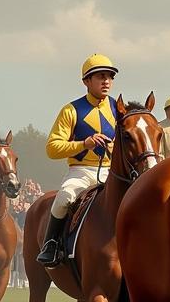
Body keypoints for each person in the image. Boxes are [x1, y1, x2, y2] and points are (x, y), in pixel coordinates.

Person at [36, 54, 118, 268]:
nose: (106, 81)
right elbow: (52, 148)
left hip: (113, 171)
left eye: (109, 76)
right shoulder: (71, 110)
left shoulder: (119, 108)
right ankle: (51, 243)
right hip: (82, 171)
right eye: (100, 76)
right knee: (64, 197)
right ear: (86, 81)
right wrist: (84, 144)